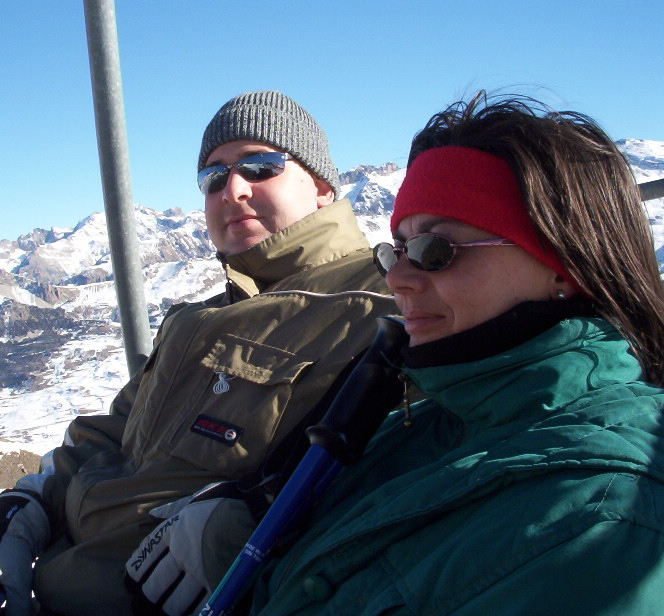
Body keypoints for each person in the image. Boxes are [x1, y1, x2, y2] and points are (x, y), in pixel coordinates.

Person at [0, 90, 399, 616]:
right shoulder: (195, 319)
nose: (233, 189)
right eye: (213, 177)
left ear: (321, 187)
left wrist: (258, 520)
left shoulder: (388, 305)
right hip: (51, 589)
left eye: (260, 166)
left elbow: (413, 466)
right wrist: (29, 501)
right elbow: (115, 433)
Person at [238, 92, 664, 615]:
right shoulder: (430, 420)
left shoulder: (600, 519)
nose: (397, 279)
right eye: (395, 250)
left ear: (563, 267)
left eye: (435, 251)